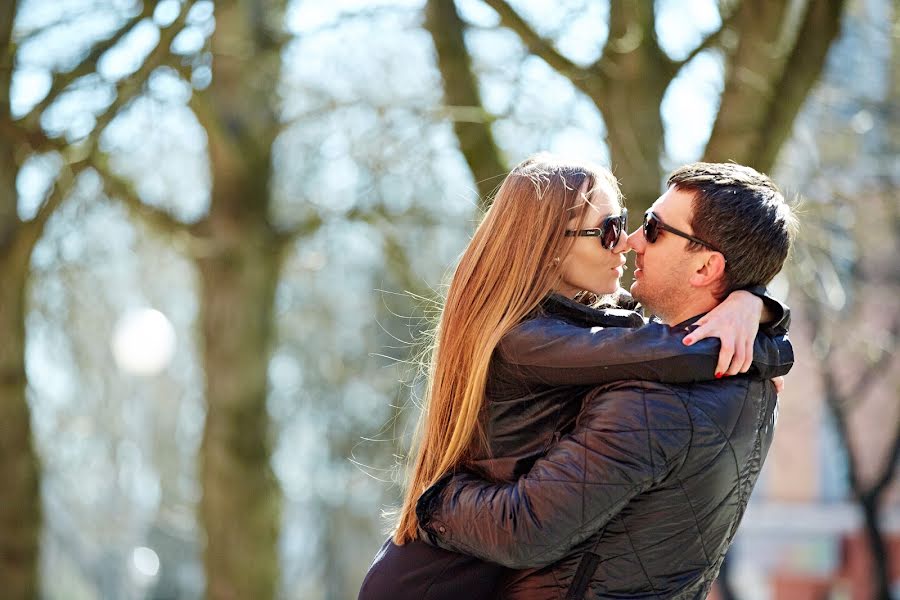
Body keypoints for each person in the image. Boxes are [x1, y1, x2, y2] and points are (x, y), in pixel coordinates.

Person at [358, 155, 791, 599]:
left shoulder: (583, 324)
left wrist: (752, 304)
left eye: (629, 224)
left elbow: (668, 325)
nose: (625, 243)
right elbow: (675, 349)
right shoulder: (523, 341)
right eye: (607, 231)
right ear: (549, 245)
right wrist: (764, 338)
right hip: (433, 581)